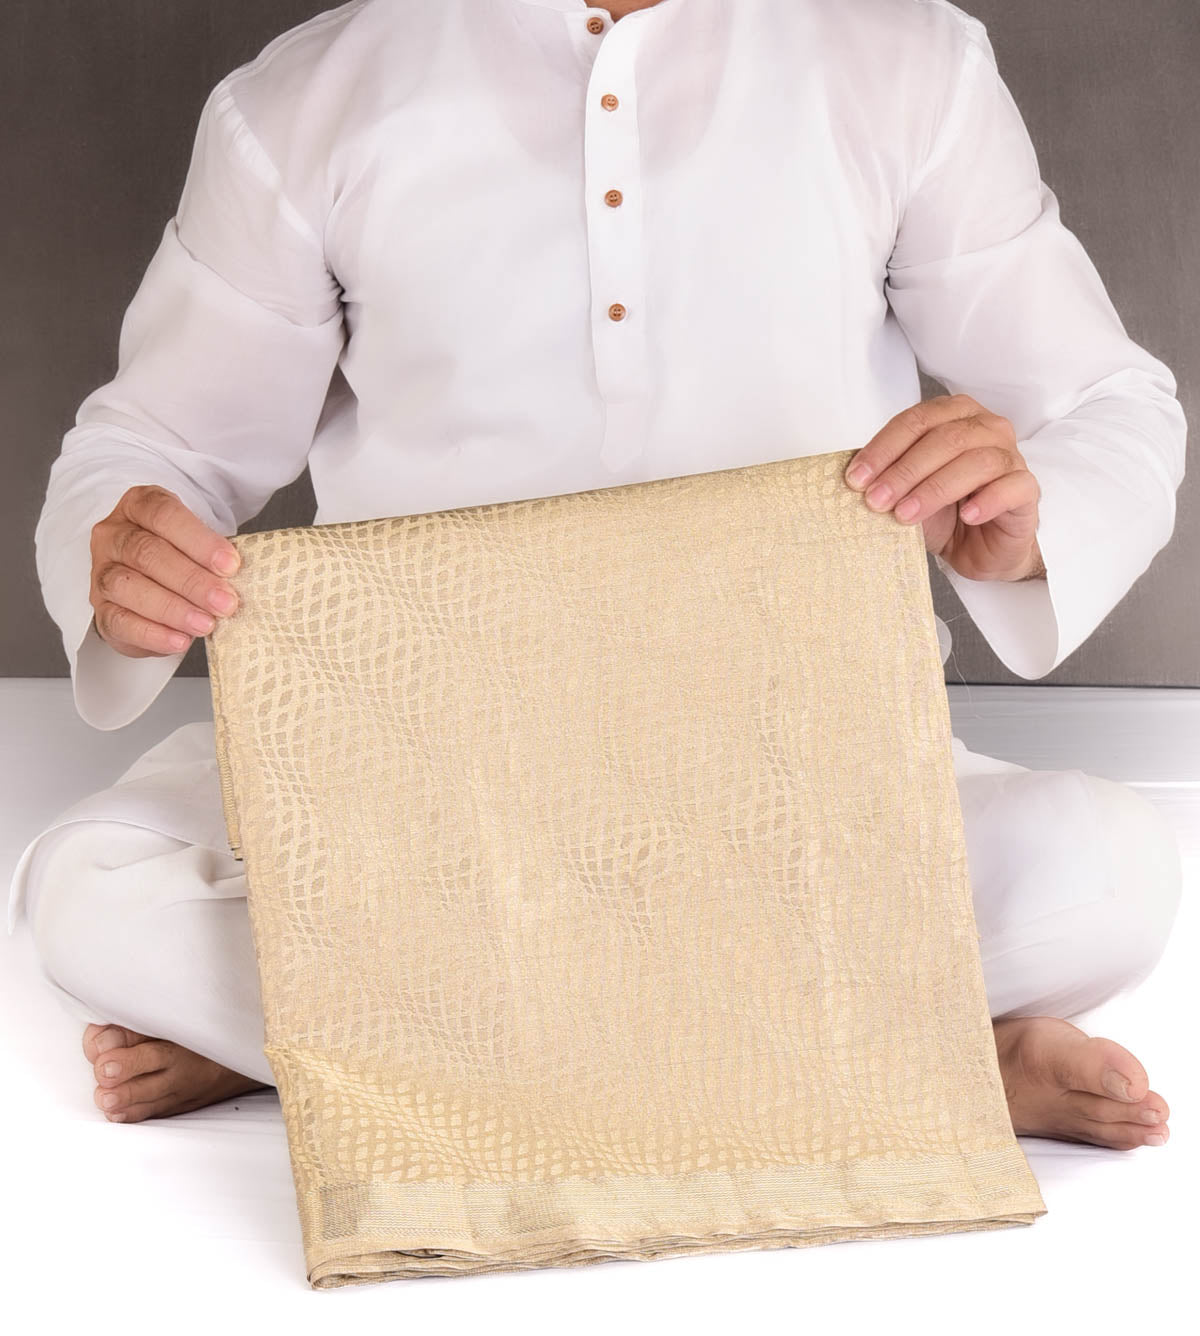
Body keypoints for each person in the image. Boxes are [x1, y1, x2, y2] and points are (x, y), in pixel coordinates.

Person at [8, 0, 1186, 1149]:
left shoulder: (904, 53)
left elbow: (1107, 404)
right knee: (86, 899)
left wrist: (1024, 523)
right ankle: (922, 1054)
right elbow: (155, 443)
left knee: (1112, 870)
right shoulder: (307, 96)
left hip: (802, 778)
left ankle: (339, 1038)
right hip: (420, 789)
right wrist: (129, 552)